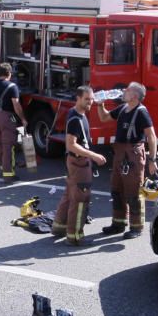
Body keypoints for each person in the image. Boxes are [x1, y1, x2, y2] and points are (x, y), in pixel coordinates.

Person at [97, 82, 158, 240]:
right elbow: (103, 117)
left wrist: (152, 159)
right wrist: (100, 104)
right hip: (120, 153)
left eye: (128, 90)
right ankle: (118, 223)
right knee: (117, 190)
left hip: (133, 155)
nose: (124, 91)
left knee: (134, 192)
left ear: (135, 96)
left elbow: (151, 136)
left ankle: (136, 227)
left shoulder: (141, 112)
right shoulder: (123, 109)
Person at [52, 86, 107, 246]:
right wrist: (94, 156)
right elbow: (71, 145)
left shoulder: (78, 114)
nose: (90, 102)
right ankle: (75, 235)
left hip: (75, 163)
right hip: (79, 163)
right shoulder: (76, 119)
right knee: (80, 199)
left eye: (91, 99)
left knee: (69, 194)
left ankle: (59, 227)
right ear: (78, 98)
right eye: (87, 99)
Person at [0, 63, 26, 182]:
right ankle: (8, 173)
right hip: (8, 116)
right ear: (9, 74)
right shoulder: (12, 86)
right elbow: (16, 105)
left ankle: (2, 166)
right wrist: (23, 119)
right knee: (9, 144)